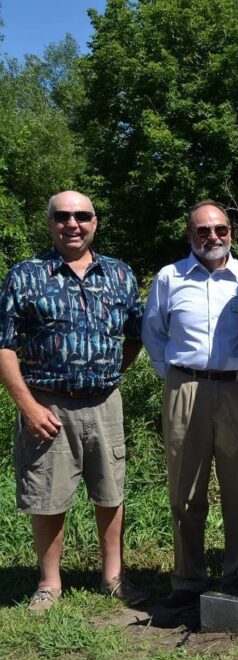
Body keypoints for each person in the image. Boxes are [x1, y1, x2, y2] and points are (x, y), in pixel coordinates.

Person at [0, 191, 147, 613]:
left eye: (82, 216)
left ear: (95, 222)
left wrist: (112, 373)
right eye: (62, 216)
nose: (73, 224)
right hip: (47, 403)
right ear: (49, 223)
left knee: (110, 491)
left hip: (105, 402)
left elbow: (135, 335)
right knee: (47, 494)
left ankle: (113, 577)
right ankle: (49, 583)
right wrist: (27, 406)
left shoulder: (119, 275)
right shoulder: (26, 275)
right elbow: (4, 346)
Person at [142, 200, 238, 610]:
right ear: (190, 234)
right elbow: (153, 332)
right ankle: (188, 578)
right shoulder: (169, 277)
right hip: (186, 389)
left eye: (221, 229)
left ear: (231, 231)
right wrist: (173, 377)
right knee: (184, 491)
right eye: (203, 230)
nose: (213, 237)